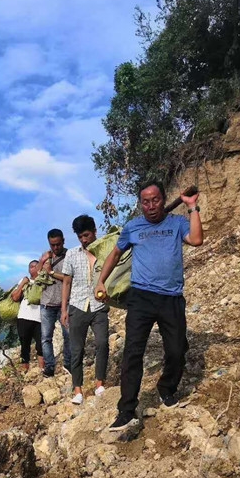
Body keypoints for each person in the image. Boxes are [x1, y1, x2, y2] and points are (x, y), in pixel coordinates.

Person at [95, 180, 203, 432]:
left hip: (171, 297)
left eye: (155, 200)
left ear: (163, 199)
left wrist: (192, 206)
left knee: (176, 350)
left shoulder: (177, 223)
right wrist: (101, 280)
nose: (151, 206)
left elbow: (197, 239)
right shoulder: (133, 227)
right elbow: (115, 254)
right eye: (146, 201)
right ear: (140, 204)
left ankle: (166, 388)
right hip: (141, 297)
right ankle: (126, 410)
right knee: (133, 352)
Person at [61, 215, 109, 405]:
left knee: (102, 342)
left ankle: (99, 384)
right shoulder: (72, 254)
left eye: (86, 235)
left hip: (99, 305)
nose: (84, 240)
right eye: (80, 237)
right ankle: (78, 390)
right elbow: (66, 282)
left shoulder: (104, 251)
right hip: (77, 305)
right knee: (76, 349)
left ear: (94, 232)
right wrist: (64, 309)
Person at [37, 228, 71, 377]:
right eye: (52, 245)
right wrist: (42, 261)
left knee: (68, 335)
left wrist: (51, 272)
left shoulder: (70, 256)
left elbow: (69, 278)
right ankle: (50, 367)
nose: (55, 247)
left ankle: (68, 364)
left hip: (65, 303)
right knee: (46, 338)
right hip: (46, 303)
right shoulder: (46, 256)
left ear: (63, 241)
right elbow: (36, 275)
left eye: (58, 244)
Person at [11, 260, 44, 372]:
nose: (34, 268)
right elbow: (15, 297)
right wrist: (22, 284)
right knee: (24, 345)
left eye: (36, 266)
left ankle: (42, 369)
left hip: (40, 318)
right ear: (29, 269)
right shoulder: (24, 281)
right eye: (31, 267)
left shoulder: (44, 281)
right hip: (24, 317)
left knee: (41, 345)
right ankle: (25, 370)